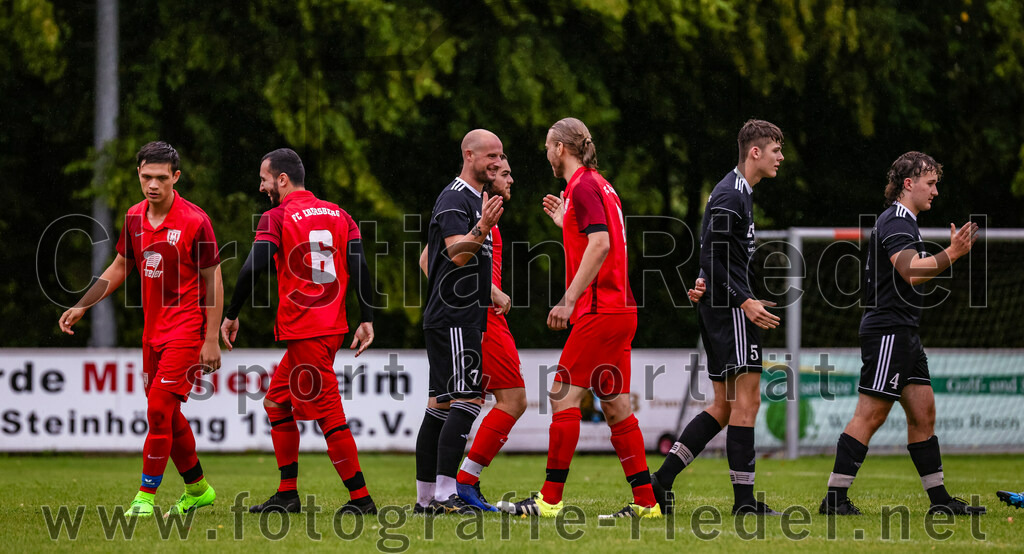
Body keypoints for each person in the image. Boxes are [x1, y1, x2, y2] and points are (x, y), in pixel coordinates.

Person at [497, 117, 657, 519]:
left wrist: (568, 300)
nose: (546, 154)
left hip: (599, 309)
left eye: (548, 146)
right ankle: (647, 503)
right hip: (621, 309)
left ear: (560, 148)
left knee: (562, 396)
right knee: (616, 406)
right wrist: (565, 223)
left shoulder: (583, 185)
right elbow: (597, 237)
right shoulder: (597, 184)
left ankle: (549, 500)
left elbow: (600, 244)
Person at [59, 141, 222, 517]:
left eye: (161, 178)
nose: (153, 185)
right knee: (168, 414)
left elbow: (213, 280)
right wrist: (82, 304)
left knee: (158, 410)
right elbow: (120, 266)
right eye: (146, 177)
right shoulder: (134, 217)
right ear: (138, 175)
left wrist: (210, 338)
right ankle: (198, 488)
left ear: (175, 177)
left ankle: (144, 498)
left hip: (187, 329)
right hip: (153, 334)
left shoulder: (195, 220)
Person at [819, 151, 984, 516]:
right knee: (871, 414)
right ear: (908, 184)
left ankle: (940, 501)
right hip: (888, 332)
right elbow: (911, 271)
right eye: (930, 183)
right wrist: (953, 254)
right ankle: (834, 500)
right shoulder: (895, 220)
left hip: (904, 331)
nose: (935, 192)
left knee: (923, 413)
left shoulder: (906, 222)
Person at [220, 148, 377, 515]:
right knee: (276, 401)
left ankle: (362, 500)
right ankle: (287, 494)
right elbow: (360, 265)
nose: (262, 188)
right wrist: (366, 317)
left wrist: (231, 313)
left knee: (328, 415)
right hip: (329, 326)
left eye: (264, 180)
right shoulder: (341, 214)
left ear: (283, 180)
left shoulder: (277, 216)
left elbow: (251, 268)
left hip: (307, 327)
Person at [649, 119, 786, 517]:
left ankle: (661, 480)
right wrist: (745, 301)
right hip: (732, 313)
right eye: (776, 150)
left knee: (724, 407)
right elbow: (712, 255)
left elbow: (715, 257)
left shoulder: (737, 192)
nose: (781, 158)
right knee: (747, 403)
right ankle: (745, 503)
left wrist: (705, 282)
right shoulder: (731, 194)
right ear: (754, 152)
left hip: (719, 308)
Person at [419, 156, 527, 512]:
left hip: (468, 315)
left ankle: (431, 497)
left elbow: (428, 259)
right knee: (492, 400)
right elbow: (444, 256)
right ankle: (459, 484)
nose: (508, 179)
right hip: (471, 318)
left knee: (442, 405)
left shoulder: (484, 218)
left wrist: (487, 288)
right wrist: (484, 293)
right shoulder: (466, 207)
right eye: (502, 172)